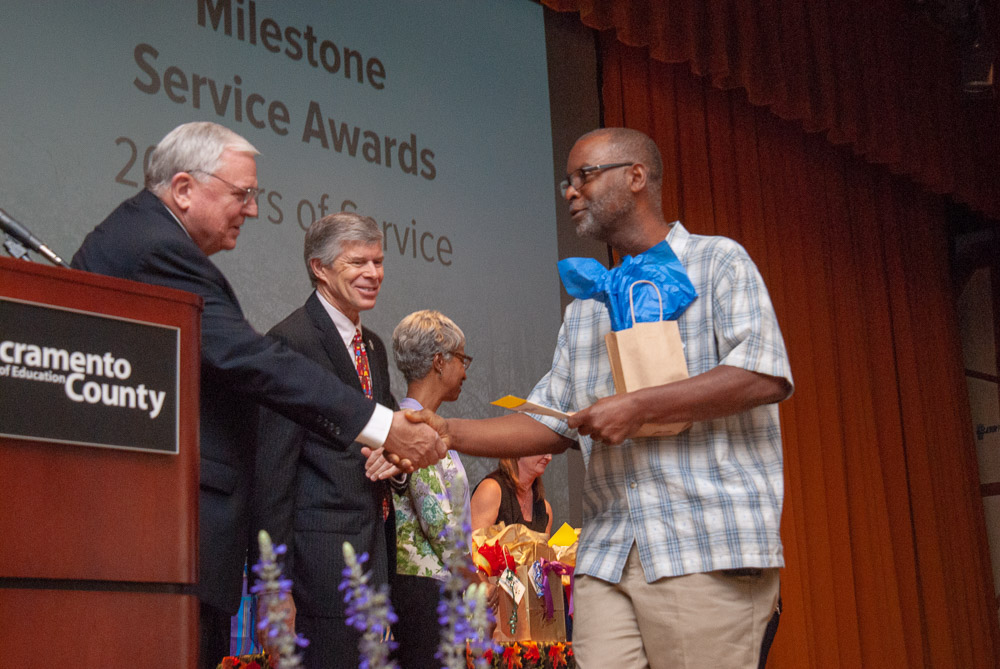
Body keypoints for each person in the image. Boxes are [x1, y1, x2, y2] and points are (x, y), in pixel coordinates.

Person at [70, 121, 445, 669]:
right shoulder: (157, 248)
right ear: (184, 189)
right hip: (163, 541)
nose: (251, 208)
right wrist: (385, 426)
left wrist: (391, 450)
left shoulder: (146, 239)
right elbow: (254, 365)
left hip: (181, 543)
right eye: (242, 193)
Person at [416, 127, 793, 669]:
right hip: (608, 558)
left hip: (704, 547)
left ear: (636, 177)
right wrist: (446, 431)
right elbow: (551, 421)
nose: (570, 191)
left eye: (584, 176)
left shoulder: (718, 263)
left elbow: (762, 373)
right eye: (565, 181)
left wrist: (638, 406)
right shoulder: (585, 310)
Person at [250, 211, 407, 669]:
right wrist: (273, 587)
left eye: (378, 261)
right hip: (317, 571)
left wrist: (395, 460)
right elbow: (272, 473)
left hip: (374, 558)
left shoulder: (372, 346)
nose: (373, 273)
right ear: (319, 267)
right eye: (358, 262)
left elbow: (389, 433)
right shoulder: (290, 342)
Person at [387, 309, 474, 669]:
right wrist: (474, 578)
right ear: (439, 361)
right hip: (423, 591)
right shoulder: (411, 426)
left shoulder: (429, 426)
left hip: (438, 586)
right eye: (462, 359)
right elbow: (435, 517)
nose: (465, 372)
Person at [471, 455, 553, 535]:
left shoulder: (545, 509)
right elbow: (473, 542)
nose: (549, 457)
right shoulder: (491, 490)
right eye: (542, 450)